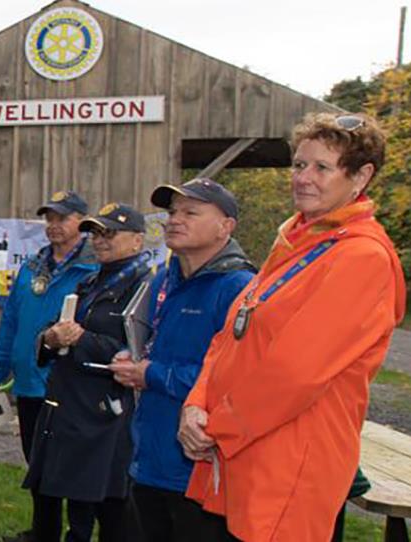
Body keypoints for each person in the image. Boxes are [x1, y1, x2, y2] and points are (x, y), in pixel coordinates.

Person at [180, 113, 406, 541]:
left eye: (322, 167)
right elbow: (232, 334)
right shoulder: (297, 239)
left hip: (291, 462)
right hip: (245, 450)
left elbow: (296, 372)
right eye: (299, 165)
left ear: (360, 177)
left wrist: (217, 426)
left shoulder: (362, 257)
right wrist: (196, 403)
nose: (303, 178)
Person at [116, 179, 255, 542]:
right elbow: (152, 345)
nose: (175, 220)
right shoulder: (163, 278)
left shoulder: (240, 287)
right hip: (148, 461)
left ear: (226, 227)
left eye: (191, 212)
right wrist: (132, 358)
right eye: (172, 212)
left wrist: (153, 374)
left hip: (200, 472)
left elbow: (241, 381)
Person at [21, 203, 151, 542]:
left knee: (113, 512)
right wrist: (50, 338)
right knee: (73, 510)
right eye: (95, 232)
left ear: (137, 240)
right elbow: (58, 327)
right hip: (68, 407)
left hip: (107, 415)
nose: (100, 240)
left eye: (110, 233)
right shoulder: (91, 281)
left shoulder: (146, 287)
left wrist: (83, 339)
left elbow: (139, 351)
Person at [0, 190, 94, 541]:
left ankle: (78, 533)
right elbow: (11, 324)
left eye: (62, 218)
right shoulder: (32, 266)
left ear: (82, 221)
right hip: (29, 383)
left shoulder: (93, 269)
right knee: (38, 463)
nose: (54, 225)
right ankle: (44, 531)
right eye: (49, 219)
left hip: (69, 385)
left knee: (74, 466)